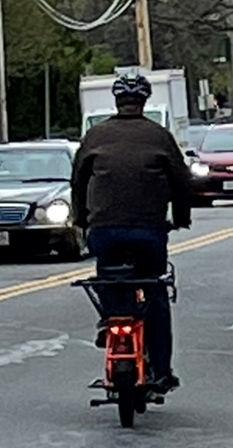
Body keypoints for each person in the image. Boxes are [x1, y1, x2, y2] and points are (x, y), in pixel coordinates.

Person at [71, 74, 192, 392]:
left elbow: (79, 180)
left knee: (109, 276)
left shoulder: (95, 136)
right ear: (143, 102)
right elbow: (181, 181)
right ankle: (162, 370)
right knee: (155, 294)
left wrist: (82, 219)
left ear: (117, 102)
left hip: (105, 231)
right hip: (148, 232)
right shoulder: (159, 136)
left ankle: (110, 319)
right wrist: (180, 218)